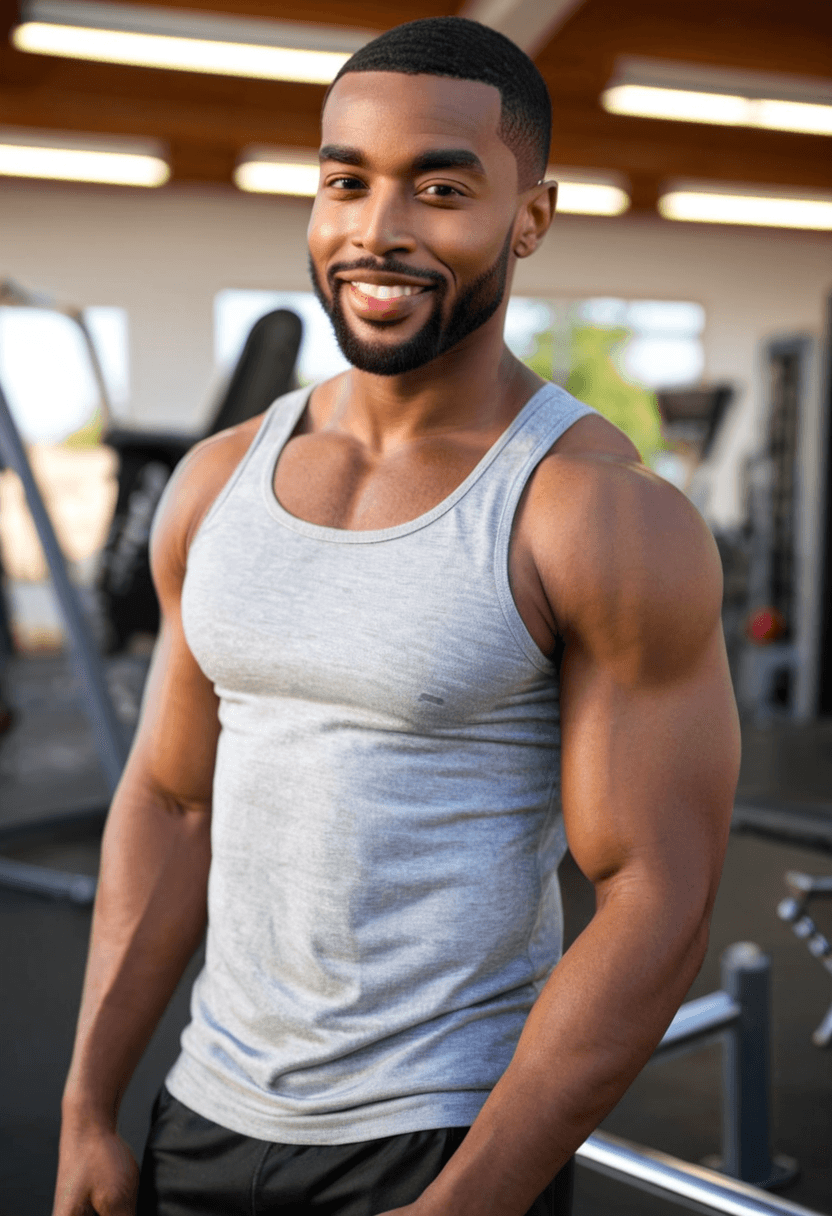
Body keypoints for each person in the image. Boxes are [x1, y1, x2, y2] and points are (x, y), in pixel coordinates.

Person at [53, 16, 740, 1216]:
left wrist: (470, 1201)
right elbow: (171, 802)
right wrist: (89, 1109)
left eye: (439, 187)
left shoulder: (592, 512)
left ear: (528, 216)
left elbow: (655, 893)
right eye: (344, 181)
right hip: (202, 1113)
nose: (378, 230)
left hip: (438, 1142)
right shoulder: (216, 483)